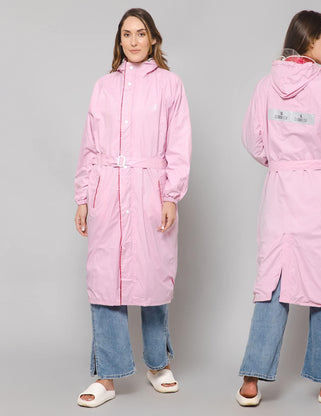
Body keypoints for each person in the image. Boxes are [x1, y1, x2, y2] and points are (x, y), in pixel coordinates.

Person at [236, 10, 321, 406]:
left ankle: (251, 382)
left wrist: (283, 163)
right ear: (310, 40)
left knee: (274, 278)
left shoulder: (265, 86)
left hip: (281, 190)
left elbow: (254, 142)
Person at [74, 8, 191, 408]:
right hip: (107, 189)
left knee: (153, 277)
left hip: (149, 190)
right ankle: (106, 377)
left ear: (153, 38)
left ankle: (158, 364)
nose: (134, 41)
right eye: (127, 34)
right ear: (119, 40)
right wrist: (83, 196)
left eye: (141, 33)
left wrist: (171, 194)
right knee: (105, 280)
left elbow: (178, 145)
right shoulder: (104, 87)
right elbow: (90, 146)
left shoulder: (170, 85)